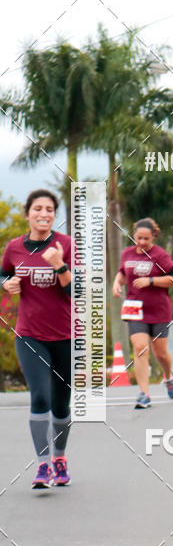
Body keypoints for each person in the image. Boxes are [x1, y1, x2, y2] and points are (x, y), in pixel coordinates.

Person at [1, 189, 73, 489]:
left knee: (61, 404)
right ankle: (42, 466)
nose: (44, 214)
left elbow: (76, 292)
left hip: (66, 336)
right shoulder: (14, 248)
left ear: (54, 215)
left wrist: (59, 265)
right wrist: (8, 284)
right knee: (40, 396)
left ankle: (59, 458)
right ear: (28, 212)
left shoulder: (66, 245)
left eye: (49, 210)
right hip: (29, 333)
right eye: (38, 209)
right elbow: (3, 274)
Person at [112, 218, 173, 409]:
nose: (142, 242)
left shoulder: (160, 255)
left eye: (146, 239)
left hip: (159, 310)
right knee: (140, 348)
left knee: (160, 353)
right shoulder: (127, 253)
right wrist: (116, 283)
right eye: (139, 238)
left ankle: (168, 376)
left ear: (153, 237)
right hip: (135, 308)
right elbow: (123, 274)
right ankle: (144, 393)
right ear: (133, 235)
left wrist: (151, 281)